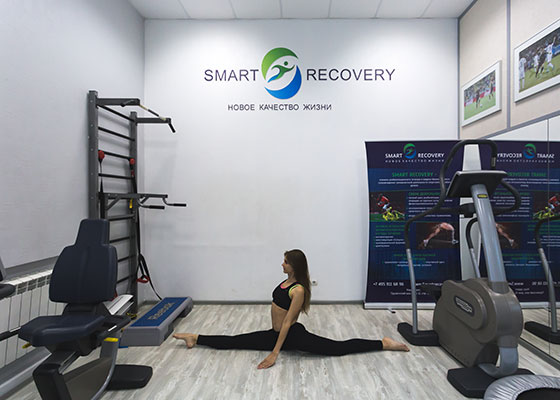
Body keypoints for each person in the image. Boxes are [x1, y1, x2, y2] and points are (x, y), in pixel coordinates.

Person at [174, 249, 409, 369]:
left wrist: (275, 353)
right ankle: (196, 338)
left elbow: (287, 322)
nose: (282, 263)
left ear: (293, 266)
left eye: (285, 261)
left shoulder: (298, 291)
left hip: (292, 336)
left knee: (337, 349)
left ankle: (383, 343)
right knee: (238, 340)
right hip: (276, 334)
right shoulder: (286, 282)